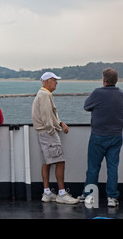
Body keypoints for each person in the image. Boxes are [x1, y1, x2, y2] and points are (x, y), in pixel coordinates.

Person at [81, 68, 123, 207]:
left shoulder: (98, 92)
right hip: (116, 135)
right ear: (116, 80)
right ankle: (112, 198)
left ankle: (89, 196)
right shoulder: (121, 94)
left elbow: (86, 106)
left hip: (99, 135)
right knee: (113, 167)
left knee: (93, 167)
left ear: (104, 80)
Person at [31, 72, 79, 204]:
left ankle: (47, 193)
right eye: (54, 80)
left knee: (47, 162)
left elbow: (50, 115)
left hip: (42, 133)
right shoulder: (45, 95)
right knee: (60, 161)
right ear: (46, 81)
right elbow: (47, 119)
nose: (56, 82)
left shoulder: (42, 94)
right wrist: (54, 131)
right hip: (48, 134)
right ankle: (62, 194)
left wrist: (60, 122)